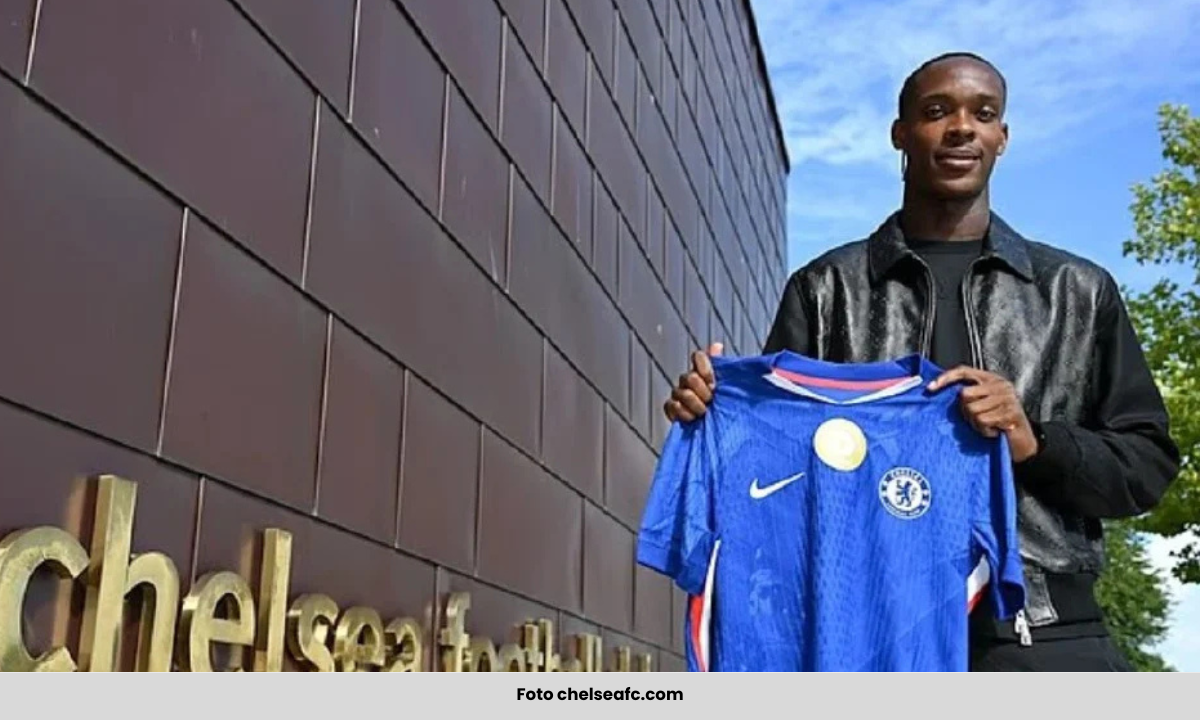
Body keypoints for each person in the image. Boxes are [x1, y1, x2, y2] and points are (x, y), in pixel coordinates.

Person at [662, 51, 1181, 672]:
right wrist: (715, 413)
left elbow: (1146, 467)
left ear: (1002, 137)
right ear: (901, 133)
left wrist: (1032, 441)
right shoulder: (827, 289)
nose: (962, 128)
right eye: (937, 111)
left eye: (983, 114)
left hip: (1039, 628)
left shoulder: (1077, 291)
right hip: (868, 627)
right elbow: (775, 473)